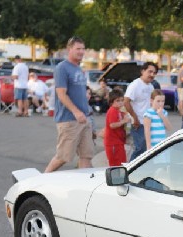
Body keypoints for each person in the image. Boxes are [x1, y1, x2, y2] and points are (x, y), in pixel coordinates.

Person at [44, 36, 94, 173]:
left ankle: (85, 188)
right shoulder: (62, 68)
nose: (81, 52)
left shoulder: (78, 69)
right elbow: (61, 94)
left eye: (83, 49)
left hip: (85, 119)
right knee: (63, 157)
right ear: (69, 49)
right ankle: (40, 181)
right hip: (69, 120)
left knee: (86, 156)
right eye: (78, 49)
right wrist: (76, 112)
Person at [124, 61, 157, 160]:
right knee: (140, 148)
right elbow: (126, 102)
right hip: (138, 123)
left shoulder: (151, 86)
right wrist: (135, 118)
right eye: (149, 71)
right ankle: (130, 170)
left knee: (148, 149)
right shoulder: (135, 85)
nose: (152, 75)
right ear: (143, 71)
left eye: (154, 73)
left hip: (148, 122)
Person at [104, 88, 131, 166]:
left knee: (122, 163)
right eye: (117, 101)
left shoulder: (119, 111)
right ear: (111, 102)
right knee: (115, 165)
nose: (120, 103)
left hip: (119, 142)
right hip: (113, 143)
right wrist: (124, 121)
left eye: (122, 100)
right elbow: (112, 125)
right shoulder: (112, 111)